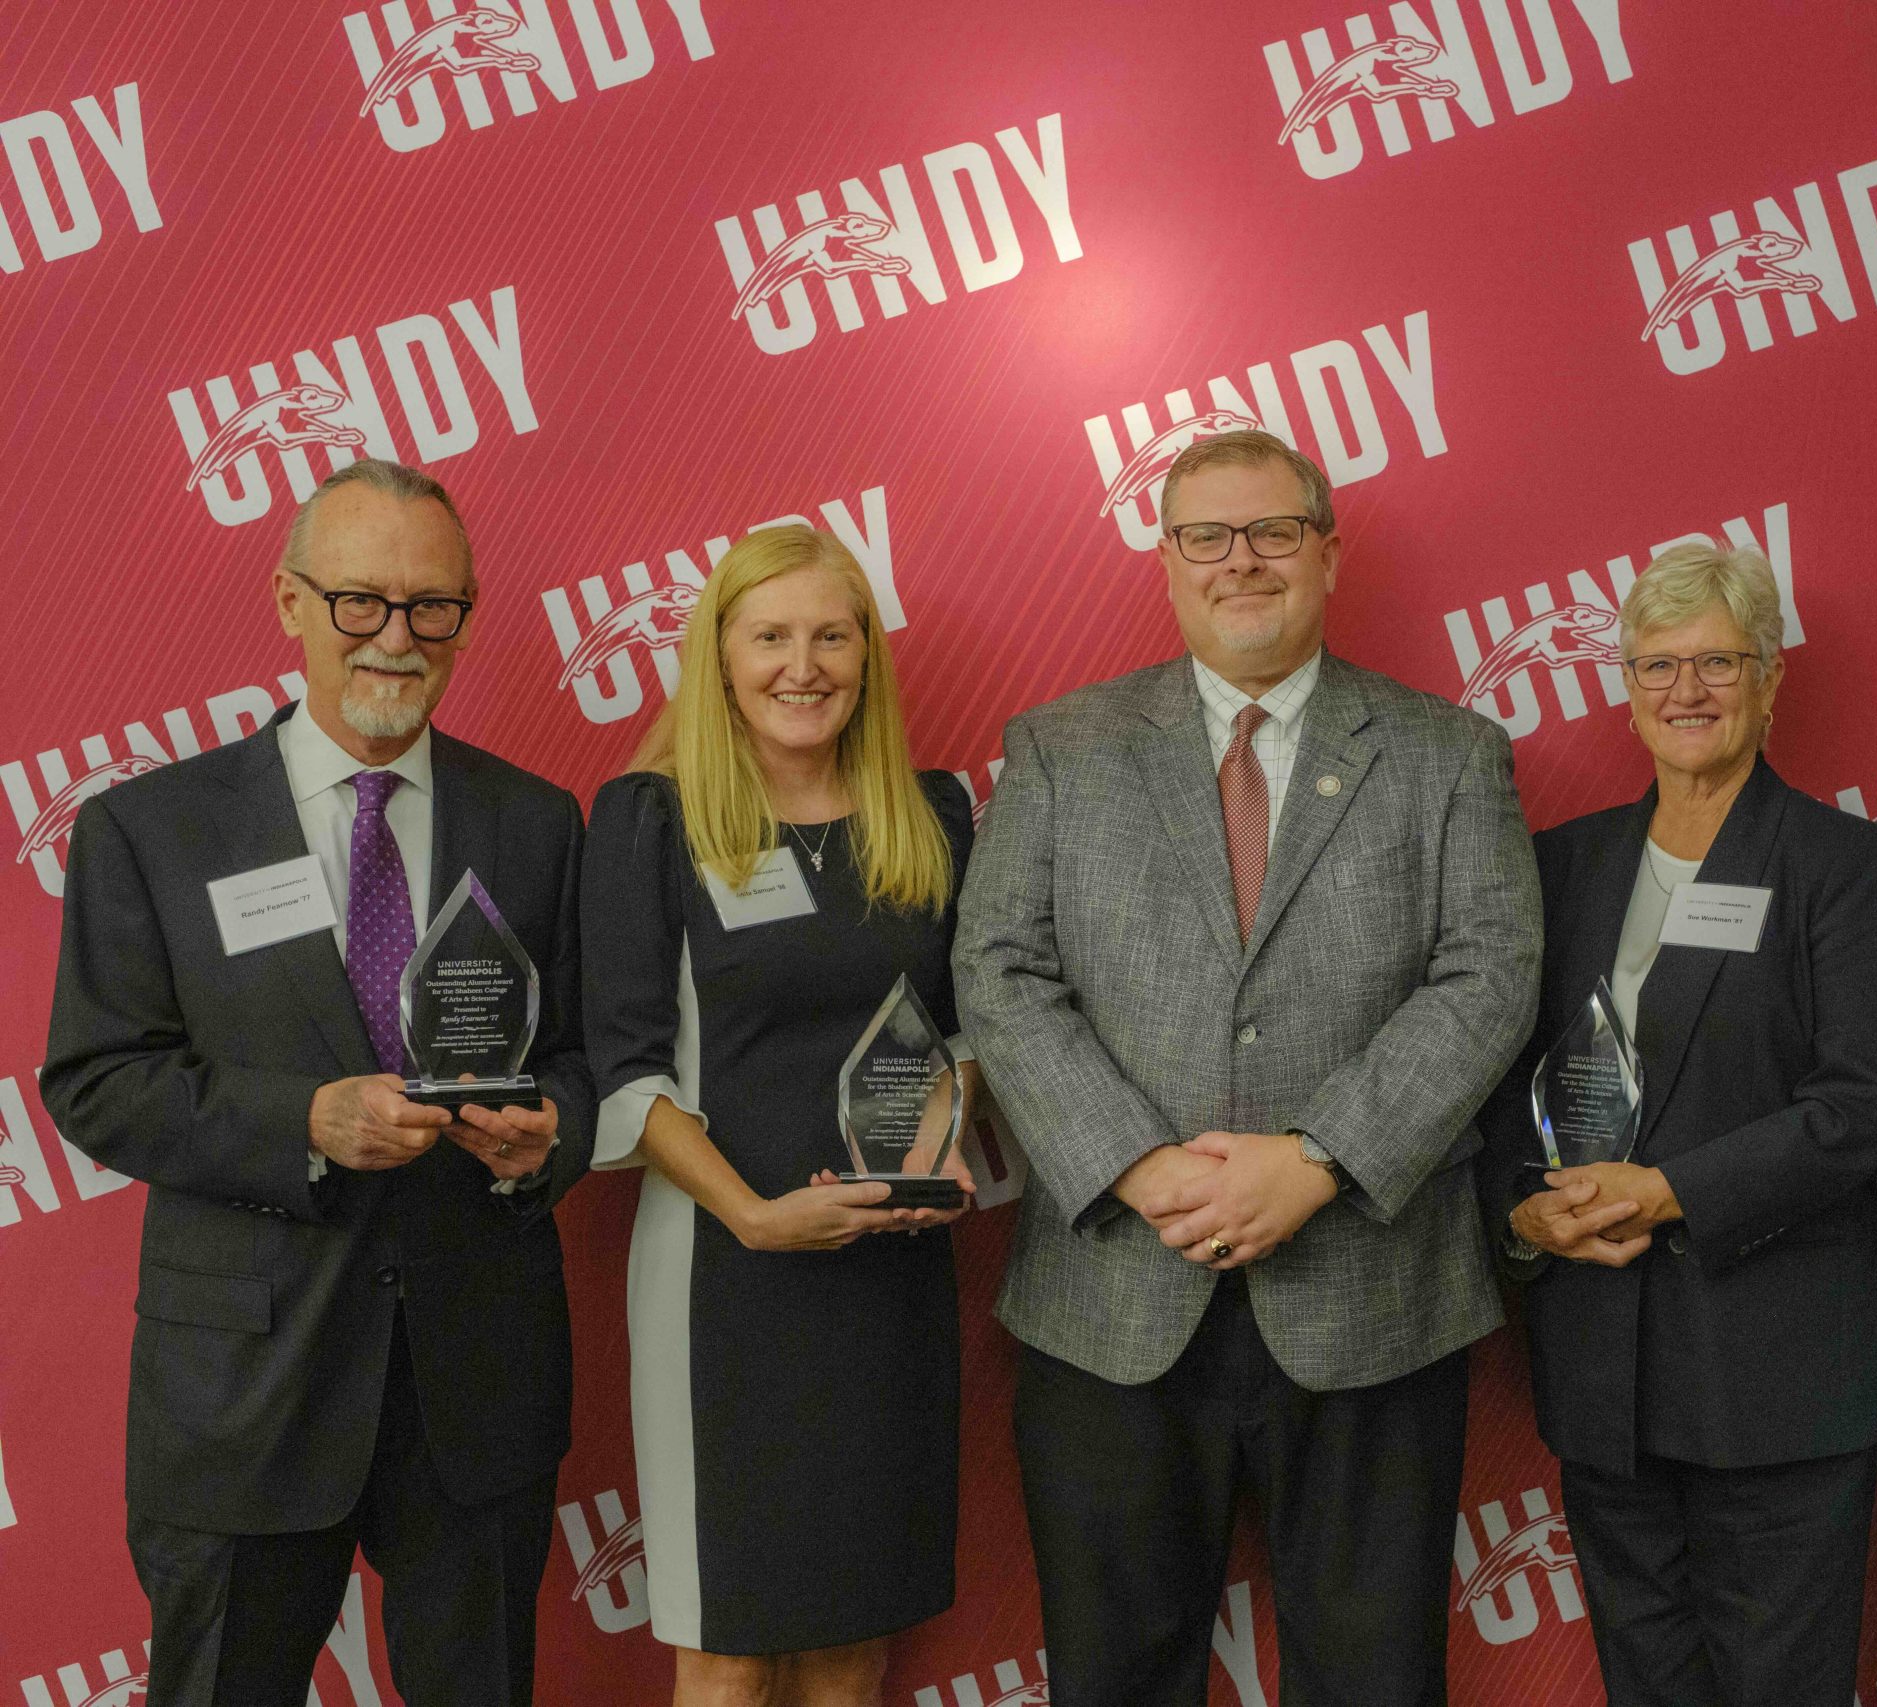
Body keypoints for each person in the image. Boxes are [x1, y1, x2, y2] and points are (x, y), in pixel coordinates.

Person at [954, 428, 1539, 1707]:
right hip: (1114, 1293)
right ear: (1165, 561)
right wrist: (1138, 1163)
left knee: (1376, 1678)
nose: (1241, 562)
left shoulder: (1449, 752)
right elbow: (998, 970)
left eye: (1273, 531)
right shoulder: (1062, 746)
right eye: (1205, 536)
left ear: (1328, 552)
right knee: (1114, 1679)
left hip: (1371, 1300)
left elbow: (1489, 975)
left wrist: (1320, 1159)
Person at [40, 459, 592, 1707]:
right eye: (360, 602)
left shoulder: (540, 822)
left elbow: (581, 1061)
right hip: (247, 1391)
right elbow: (97, 1079)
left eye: (432, 608)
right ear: (289, 601)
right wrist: (306, 1121)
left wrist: (546, 1137)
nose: (396, 640)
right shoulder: (150, 831)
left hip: (475, 1381)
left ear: (465, 615)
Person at [1478, 542, 1877, 1706]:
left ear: (1771, 679)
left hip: (1773, 1368)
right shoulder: (1562, 866)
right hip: (1600, 1365)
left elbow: (1857, 1107)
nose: (1686, 690)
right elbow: (1495, 1091)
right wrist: (1525, 1207)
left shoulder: (1843, 864)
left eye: (1718, 662)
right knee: (1647, 1676)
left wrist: (1665, 1191)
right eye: (1657, 665)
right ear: (1624, 687)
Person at [582, 523, 976, 1707]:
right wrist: (750, 1215)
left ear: (866, 655)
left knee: (856, 1633)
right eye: (770, 636)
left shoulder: (935, 812)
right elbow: (625, 1070)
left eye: (830, 634)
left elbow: (961, 1032)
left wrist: (939, 1151)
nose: (801, 666)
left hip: (889, 1276)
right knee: (734, 1645)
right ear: (719, 654)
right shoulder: (650, 817)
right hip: (725, 1278)